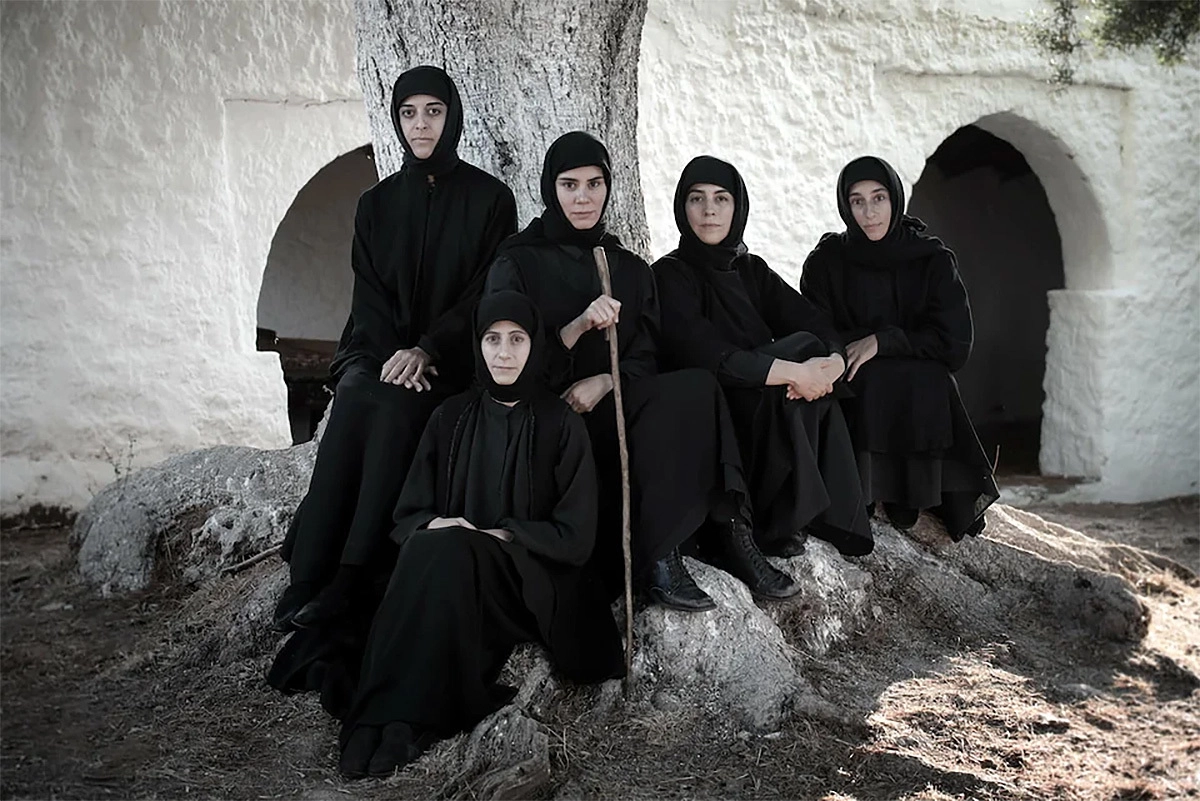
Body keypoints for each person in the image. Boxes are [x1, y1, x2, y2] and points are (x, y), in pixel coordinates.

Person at [485, 131, 798, 612]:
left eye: (594, 184)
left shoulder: (628, 267)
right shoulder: (517, 262)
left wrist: (608, 381)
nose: (583, 198)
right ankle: (658, 556)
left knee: (697, 387)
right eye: (570, 185)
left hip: (612, 399)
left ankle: (729, 534)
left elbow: (646, 354)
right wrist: (576, 327)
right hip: (547, 411)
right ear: (551, 188)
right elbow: (501, 358)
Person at [270, 65, 517, 633]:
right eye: (409, 113)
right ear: (396, 120)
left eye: (433, 111)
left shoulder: (489, 200)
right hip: (379, 351)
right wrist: (392, 356)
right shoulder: (376, 203)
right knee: (358, 394)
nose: (421, 125)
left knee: (396, 409)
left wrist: (428, 349)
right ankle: (308, 574)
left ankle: (353, 575)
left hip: (449, 359)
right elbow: (370, 294)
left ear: (452, 116)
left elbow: (484, 291)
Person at [337, 290, 623, 778]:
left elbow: (575, 537)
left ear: (535, 345)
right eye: (492, 339)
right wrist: (442, 525)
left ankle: (404, 718)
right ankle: (382, 717)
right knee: (433, 545)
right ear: (477, 344)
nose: (504, 353)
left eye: (517, 339)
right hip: (451, 569)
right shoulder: (449, 416)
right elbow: (409, 514)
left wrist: (493, 536)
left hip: (527, 581)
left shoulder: (560, 422)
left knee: (446, 550)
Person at [653, 156, 874, 558]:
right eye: (697, 199)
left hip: (768, 398)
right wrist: (795, 373)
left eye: (721, 199)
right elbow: (706, 355)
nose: (709, 210)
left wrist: (833, 364)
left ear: (738, 207)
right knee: (799, 357)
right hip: (716, 414)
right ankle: (779, 521)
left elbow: (813, 321)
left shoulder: (751, 269)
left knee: (808, 348)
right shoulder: (670, 275)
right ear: (682, 207)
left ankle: (801, 513)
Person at [799, 155, 998, 540]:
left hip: (915, 381)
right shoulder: (827, 261)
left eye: (879, 198)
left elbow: (954, 344)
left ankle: (913, 490)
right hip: (855, 379)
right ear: (845, 206)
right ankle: (865, 487)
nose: (869, 212)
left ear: (895, 199)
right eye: (857, 201)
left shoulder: (931, 260)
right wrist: (846, 350)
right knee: (864, 373)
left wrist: (883, 341)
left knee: (925, 376)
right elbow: (815, 326)